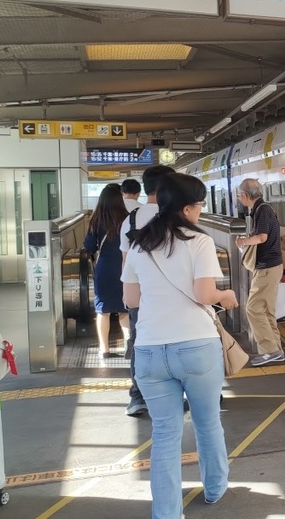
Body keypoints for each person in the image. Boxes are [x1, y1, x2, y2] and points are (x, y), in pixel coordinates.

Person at [122, 173, 237, 518]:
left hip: (150, 351)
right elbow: (205, 294)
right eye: (200, 204)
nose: (201, 211)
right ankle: (214, 488)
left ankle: (167, 513)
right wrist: (225, 296)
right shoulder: (199, 242)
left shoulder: (138, 242)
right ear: (187, 208)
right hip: (195, 347)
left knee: (165, 435)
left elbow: (130, 298)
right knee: (206, 423)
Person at [119, 165, 176, 417]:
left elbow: (125, 263)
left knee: (139, 343)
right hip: (175, 295)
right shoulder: (177, 217)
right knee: (177, 342)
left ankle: (138, 396)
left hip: (141, 295)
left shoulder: (130, 220)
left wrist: (127, 295)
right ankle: (178, 393)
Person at [235, 178, 285, 366]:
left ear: (246, 195)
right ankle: (276, 350)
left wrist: (243, 242)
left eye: (240, 196)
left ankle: (270, 350)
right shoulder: (263, 209)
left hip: (267, 267)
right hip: (271, 266)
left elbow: (262, 237)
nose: (240, 200)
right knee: (267, 310)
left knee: (253, 308)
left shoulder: (262, 210)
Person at [83, 184, 130, 358]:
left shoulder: (96, 219)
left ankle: (104, 349)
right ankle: (128, 347)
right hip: (125, 267)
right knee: (125, 309)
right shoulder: (127, 218)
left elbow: (89, 246)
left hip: (104, 268)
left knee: (103, 311)